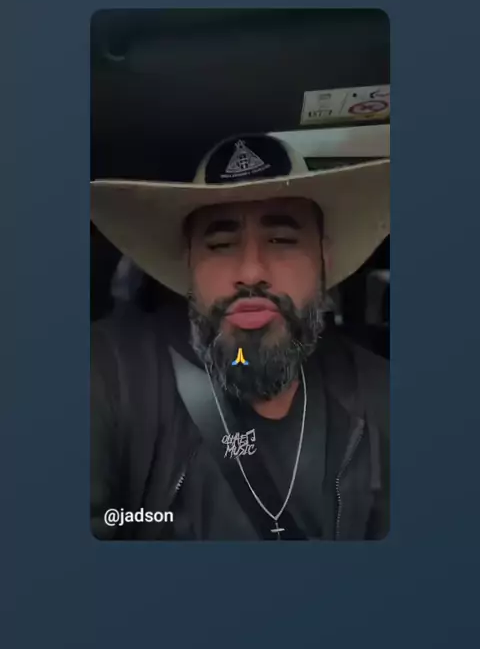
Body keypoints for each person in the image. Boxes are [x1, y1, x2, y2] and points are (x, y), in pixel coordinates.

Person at [90, 133, 390, 541]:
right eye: (220, 244)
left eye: (282, 240)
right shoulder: (111, 374)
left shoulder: (381, 398)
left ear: (324, 261)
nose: (251, 273)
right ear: (189, 267)